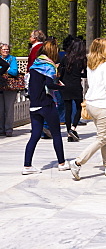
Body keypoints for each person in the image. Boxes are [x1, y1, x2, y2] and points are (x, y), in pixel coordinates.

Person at [70, 38, 106, 180]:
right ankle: (78, 162)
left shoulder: (91, 64)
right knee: (102, 138)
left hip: (91, 103)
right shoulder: (105, 65)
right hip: (101, 105)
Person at [23, 38, 70, 175]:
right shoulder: (48, 66)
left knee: (35, 135)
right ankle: (61, 163)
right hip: (46, 104)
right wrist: (60, 87)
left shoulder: (34, 65)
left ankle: (27, 166)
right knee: (56, 134)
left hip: (34, 105)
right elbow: (49, 84)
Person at [58, 37, 86, 142]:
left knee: (67, 109)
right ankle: (73, 128)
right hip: (76, 85)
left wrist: (60, 81)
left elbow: (61, 71)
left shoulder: (66, 58)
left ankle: (69, 131)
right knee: (79, 107)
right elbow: (85, 73)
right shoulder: (81, 59)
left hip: (66, 85)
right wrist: (79, 74)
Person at [0, 43, 20, 136]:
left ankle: (8, 128)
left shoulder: (12, 59)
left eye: (7, 49)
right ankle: (1, 128)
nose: (6, 51)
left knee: (9, 108)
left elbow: (14, 71)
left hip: (10, 86)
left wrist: (4, 70)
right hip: (0, 85)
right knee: (1, 108)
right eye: (4, 49)